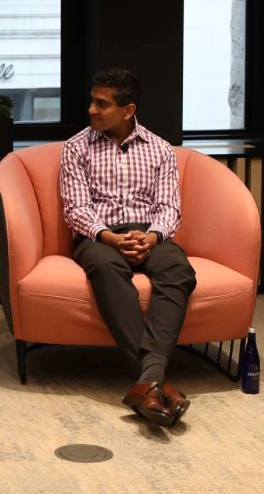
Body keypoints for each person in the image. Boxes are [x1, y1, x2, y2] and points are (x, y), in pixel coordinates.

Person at [59, 68, 197, 427]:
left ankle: (145, 382)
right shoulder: (77, 148)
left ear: (128, 109)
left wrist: (151, 237)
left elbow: (170, 207)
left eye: (101, 104)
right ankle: (156, 380)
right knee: (106, 268)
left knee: (178, 270)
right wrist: (110, 237)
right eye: (92, 100)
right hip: (98, 237)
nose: (91, 109)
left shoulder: (160, 150)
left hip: (149, 233)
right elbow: (76, 209)